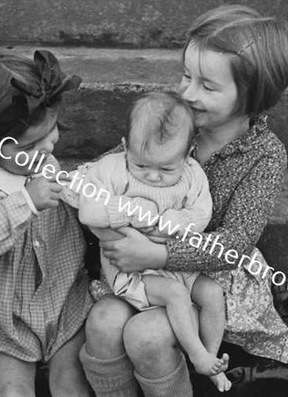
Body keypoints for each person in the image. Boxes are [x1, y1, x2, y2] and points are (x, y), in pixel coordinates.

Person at [78, 4, 288, 397]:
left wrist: (161, 256)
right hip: (139, 271)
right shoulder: (174, 120)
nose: (187, 92)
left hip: (211, 277)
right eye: (186, 76)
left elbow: (236, 241)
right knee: (102, 322)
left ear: (252, 96)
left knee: (145, 336)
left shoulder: (264, 154)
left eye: (207, 86)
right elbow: (117, 166)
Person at [0, 51, 94, 397]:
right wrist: (24, 202)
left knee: (70, 382)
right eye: (32, 144)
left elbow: (72, 200)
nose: (49, 145)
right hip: (4, 315)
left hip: (62, 298)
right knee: (12, 390)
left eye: (52, 130)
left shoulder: (42, 162)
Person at [77, 91, 231, 391]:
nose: (154, 177)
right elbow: (89, 211)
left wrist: (182, 222)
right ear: (125, 148)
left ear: (187, 155)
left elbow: (202, 212)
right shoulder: (111, 170)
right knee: (174, 294)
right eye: (142, 166)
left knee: (212, 292)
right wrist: (129, 212)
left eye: (166, 169)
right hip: (133, 272)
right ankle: (196, 354)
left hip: (178, 261)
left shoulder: (192, 175)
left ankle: (209, 357)